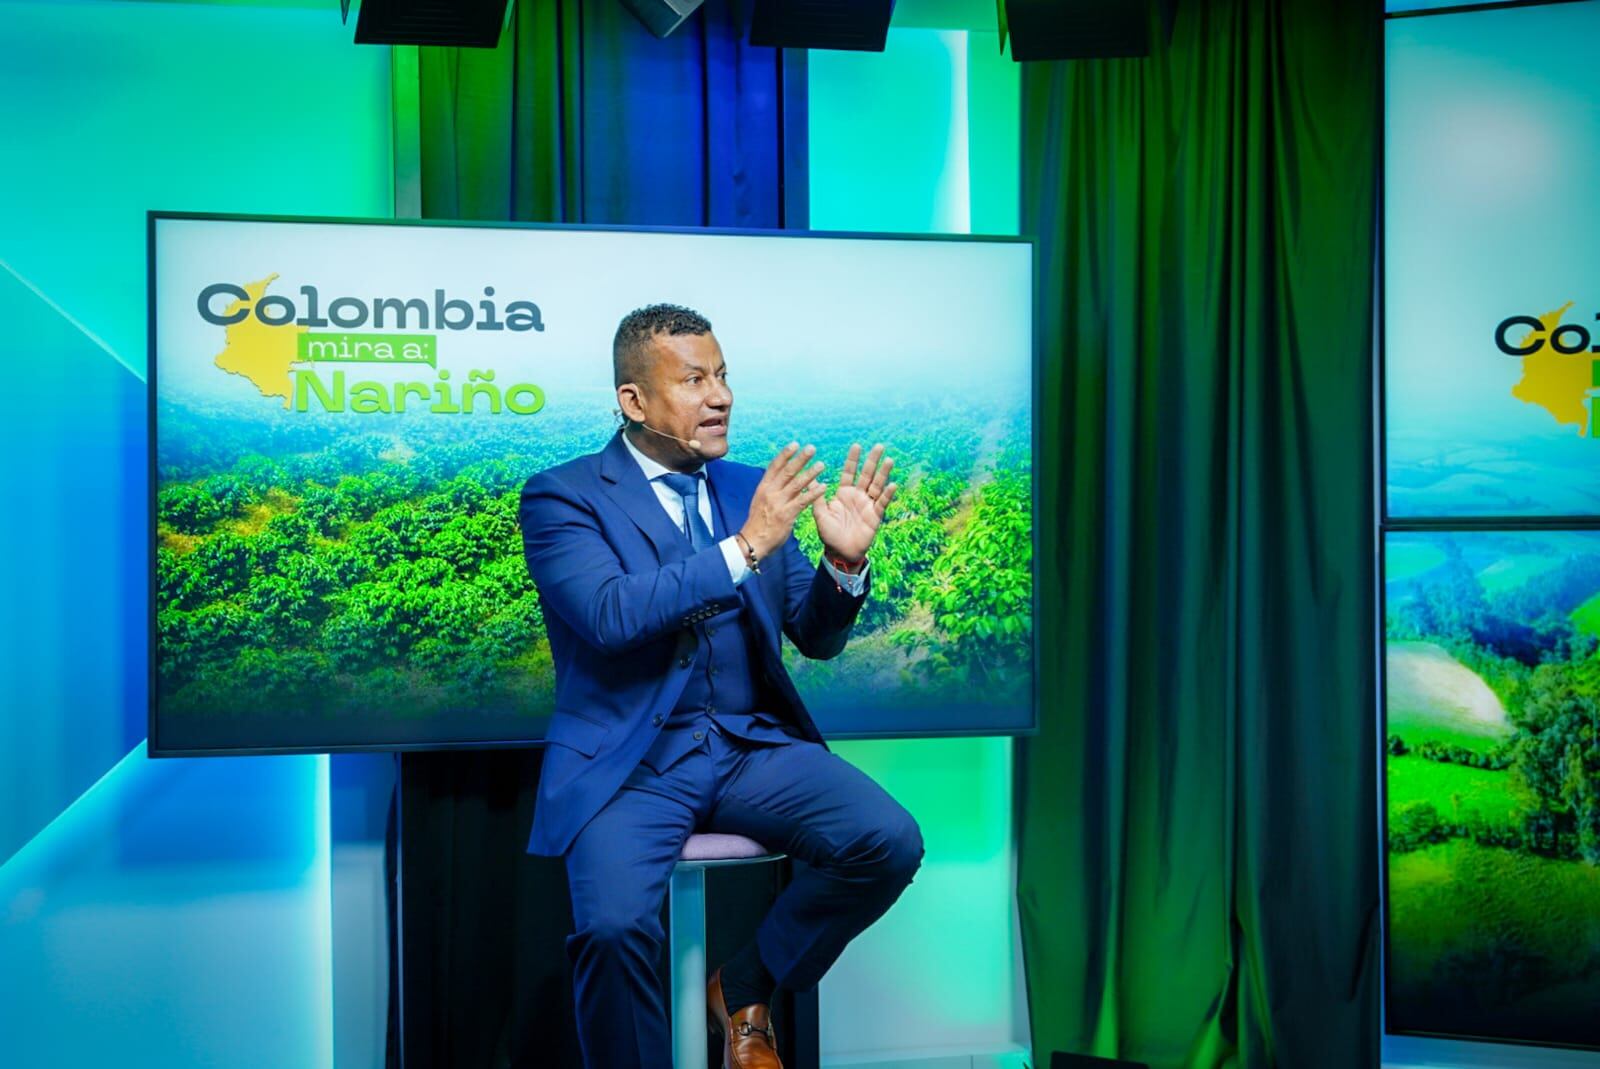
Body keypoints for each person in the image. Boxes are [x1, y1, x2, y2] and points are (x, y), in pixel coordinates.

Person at [518, 303, 925, 1069]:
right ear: (634, 401)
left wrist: (844, 563)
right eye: (695, 379)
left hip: (746, 748)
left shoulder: (748, 487)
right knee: (610, 931)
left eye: (724, 375)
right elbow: (609, 615)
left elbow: (815, 633)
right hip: (629, 765)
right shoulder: (562, 497)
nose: (721, 396)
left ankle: (745, 983)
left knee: (888, 840)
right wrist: (745, 547)